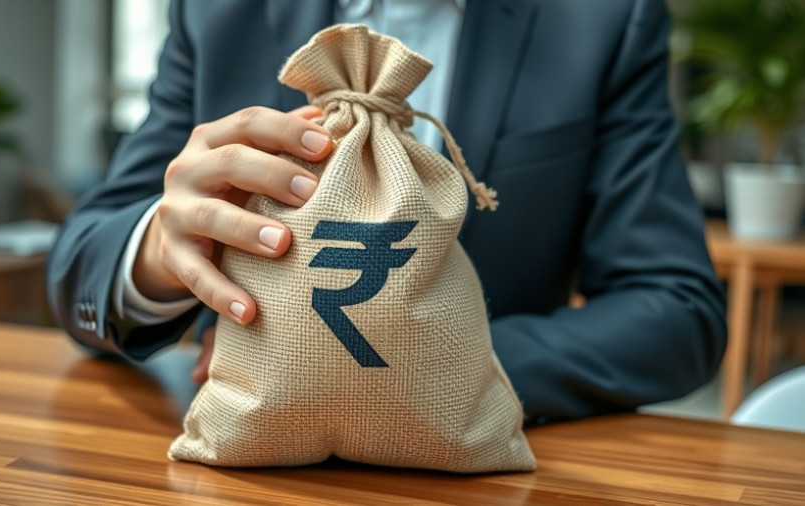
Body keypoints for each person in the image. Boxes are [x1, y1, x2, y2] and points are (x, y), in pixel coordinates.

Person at [47, 0, 727, 425]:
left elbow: (676, 308)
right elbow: (82, 263)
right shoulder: (218, 11)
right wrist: (159, 254)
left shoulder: (604, 18)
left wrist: (441, 363)